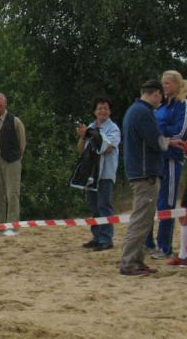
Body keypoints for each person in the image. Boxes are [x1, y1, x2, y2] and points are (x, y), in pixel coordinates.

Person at [118, 80, 184, 277]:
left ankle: (136, 261)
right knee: (141, 221)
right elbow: (155, 141)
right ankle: (129, 263)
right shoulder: (144, 113)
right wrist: (169, 143)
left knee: (143, 220)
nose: (161, 101)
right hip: (145, 173)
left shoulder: (134, 110)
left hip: (140, 171)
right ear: (155, 94)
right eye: (160, 96)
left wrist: (170, 142)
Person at [147, 70, 187, 258]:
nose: (163, 87)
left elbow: (180, 132)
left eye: (167, 83)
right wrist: (160, 133)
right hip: (157, 158)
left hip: (172, 157)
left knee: (167, 203)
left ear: (177, 84)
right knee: (153, 201)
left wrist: (160, 131)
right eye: (162, 83)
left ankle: (165, 247)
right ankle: (149, 243)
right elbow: (152, 130)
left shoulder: (182, 105)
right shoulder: (161, 107)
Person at [75, 97, 121, 251]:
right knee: (94, 206)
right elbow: (81, 150)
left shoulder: (113, 129)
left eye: (106, 108)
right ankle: (96, 237)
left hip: (105, 173)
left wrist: (90, 134)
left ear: (110, 111)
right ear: (95, 111)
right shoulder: (91, 127)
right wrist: (83, 136)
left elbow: (107, 148)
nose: (103, 111)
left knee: (104, 206)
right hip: (91, 174)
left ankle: (106, 239)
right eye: (100, 108)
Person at [0, 93, 26, 236]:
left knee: (12, 194)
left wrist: (16, 157)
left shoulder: (15, 121)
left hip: (11, 161)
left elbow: (22, 143)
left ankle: (12, 227)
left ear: (5, 103)